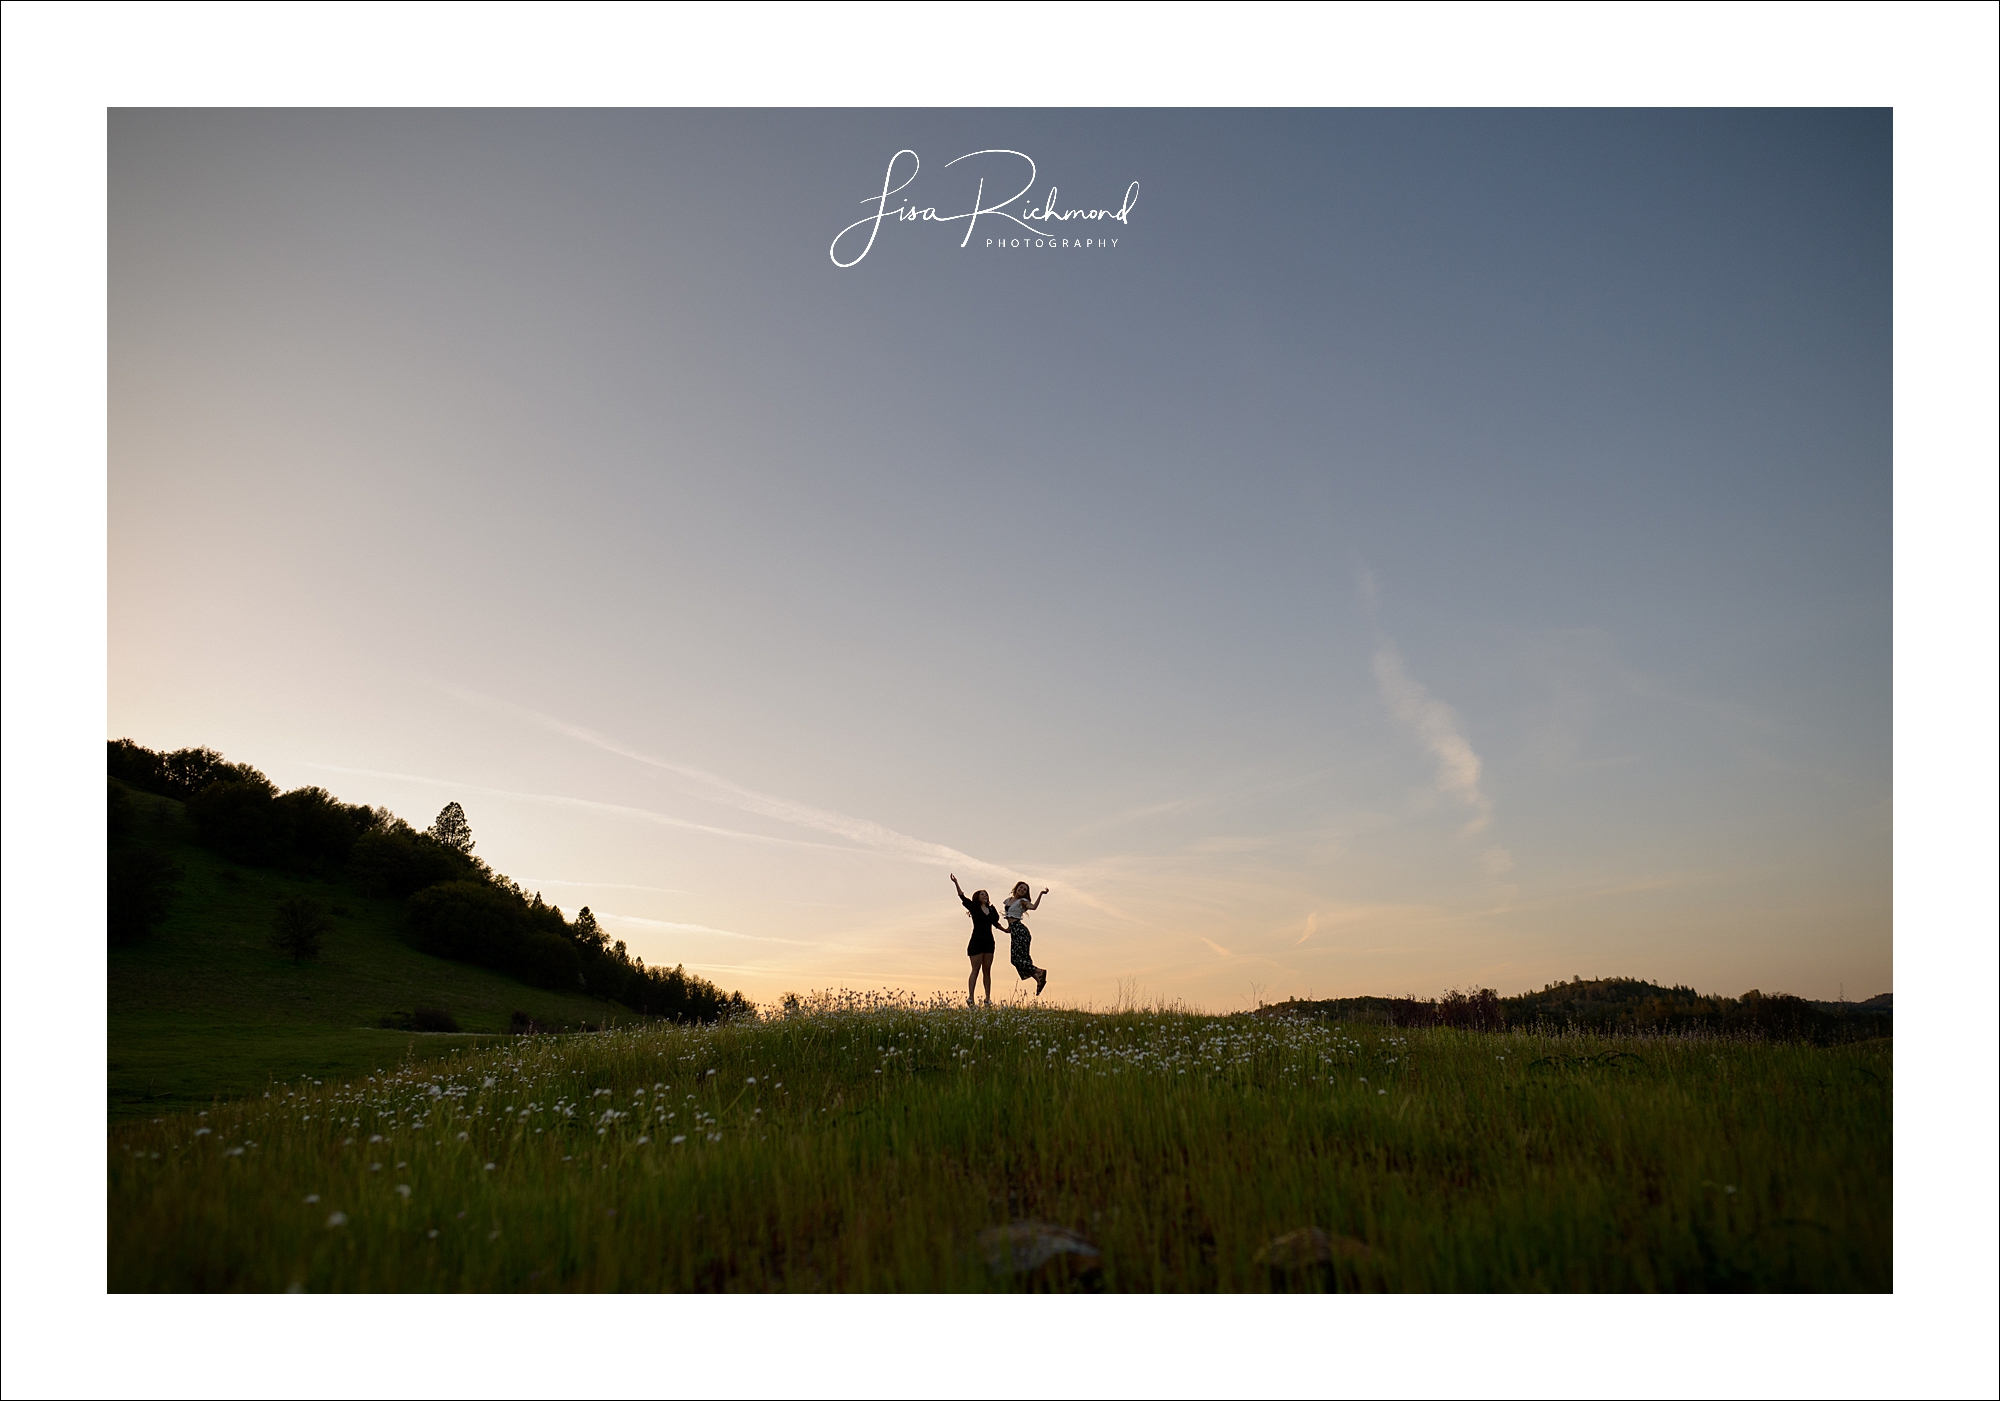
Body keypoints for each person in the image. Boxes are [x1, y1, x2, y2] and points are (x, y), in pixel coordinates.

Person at [950, 874, 1003, 1006]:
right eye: (982, 894)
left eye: (986, 894)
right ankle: (971, 998)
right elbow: (962, 897)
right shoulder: (974, 908)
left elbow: (995, 923)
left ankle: (987, 998)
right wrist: (956, 882)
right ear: (978, 897)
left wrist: (1006, 930)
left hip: (989, 942)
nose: (985, 896)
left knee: (987, 970)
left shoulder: (991, 910)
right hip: (976, 941)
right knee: (975, 969)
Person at [1003, 880, 1049, 996]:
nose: (1022, 890)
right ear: (1016, 887)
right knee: (1021, 960)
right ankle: (1039, 979)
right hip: (1014, 931)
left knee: (1016, 959)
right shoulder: (1009, 901)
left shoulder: (1022, 901)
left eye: (1025, 889)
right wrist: (1007, 928)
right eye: (1021, 887)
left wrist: (1041, 894)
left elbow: (1033, 907)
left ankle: (1039, 972)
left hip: (1020, 931)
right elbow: (1009, 917)